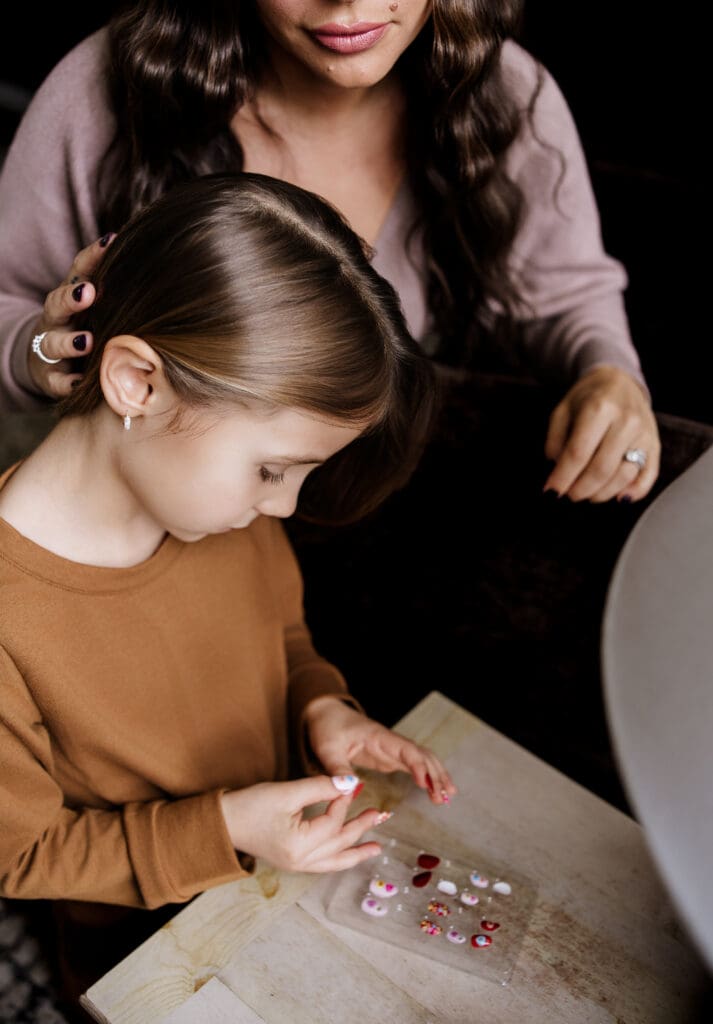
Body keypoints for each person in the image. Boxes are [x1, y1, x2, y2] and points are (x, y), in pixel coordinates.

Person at [0, 172, 455, 1011]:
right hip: (145, 951)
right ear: (136, 384)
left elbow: (279, 638)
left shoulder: (221, 513)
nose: (284, 505)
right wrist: (226, 828)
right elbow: (21, 858)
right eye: (272, 469)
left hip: (287, 877)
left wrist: (323, 708)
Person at [0, 0, 659, 505]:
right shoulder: (108, 89)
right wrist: (37, 351)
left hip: (386, 521)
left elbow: (565, 297)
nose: (348, 3)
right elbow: (12, 312)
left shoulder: (506, 94)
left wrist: (606, 373)